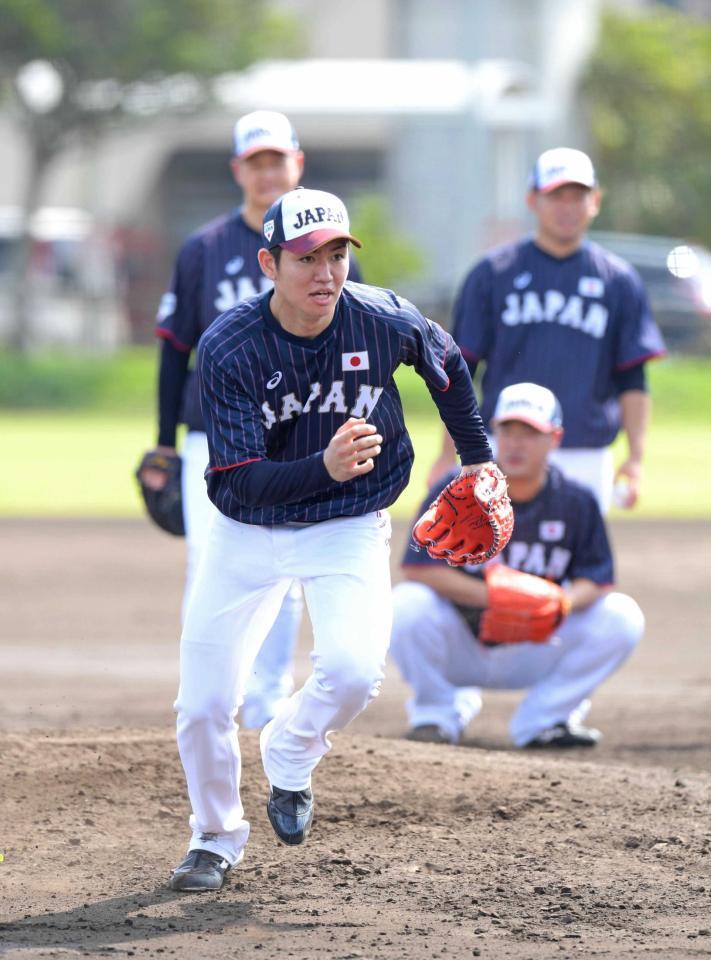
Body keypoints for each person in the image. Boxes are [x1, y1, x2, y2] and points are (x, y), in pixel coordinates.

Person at [167, 186, 496, 892]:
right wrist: (322, 463)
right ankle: (215, 837)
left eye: (338, 253)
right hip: (247, 531)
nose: (325, 271)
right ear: (268, 263)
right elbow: (241, 480)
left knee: (351, 670)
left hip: (347, 520)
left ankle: (288, 749)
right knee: (201, 705)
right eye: (306, 256)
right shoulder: (231, 345)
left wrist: (479, 460)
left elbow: (446, 367)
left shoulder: (379, 318)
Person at [140, 111, 361, 730]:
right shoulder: (204, 249)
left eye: (277, 159)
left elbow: (357, 344)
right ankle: (207, 698)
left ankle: (265, 702)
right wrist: (163, 442)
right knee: (209, 563)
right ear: (239, 169)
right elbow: (173, 350)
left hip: (295, 432)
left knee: (284, 566)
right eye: (255, 161)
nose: (268, 172)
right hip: (210, 431)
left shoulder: (329, 248)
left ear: (298, 163)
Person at [391, 382, 644, 749]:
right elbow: (417, 567)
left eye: (529, 432)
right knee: (406, 604)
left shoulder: (577, 501)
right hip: (465, 642)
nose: (514, 443)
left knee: (622, 616)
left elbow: (598, 578)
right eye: (507, 430)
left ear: (554, 439)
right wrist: (494, 597)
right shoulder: (460, 490)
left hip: (537, 643)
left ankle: (544, 720)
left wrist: (558, 602)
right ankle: (436, 715)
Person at [429, 147, 666, 513]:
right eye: (556, 195)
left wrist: (635, 459)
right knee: (493, 561)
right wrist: (448, 452)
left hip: (585, 451)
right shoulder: (493, 274)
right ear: (532, 200)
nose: (567, 206)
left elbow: (632, 377)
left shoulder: (618, 281)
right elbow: (462, 371)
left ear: (595, 201)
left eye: (578, 196)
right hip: (504, 447)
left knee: (575, 562)